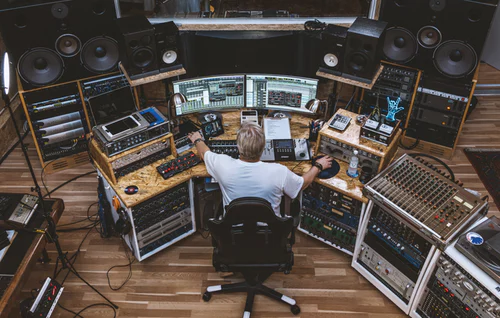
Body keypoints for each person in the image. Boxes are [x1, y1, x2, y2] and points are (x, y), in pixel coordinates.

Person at [188, 122, 333, 216]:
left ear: (238, 147)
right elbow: (303, 183)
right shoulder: (279, 171)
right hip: (270, 232)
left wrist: (197, 139)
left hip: (233, 233)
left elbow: (203, 152)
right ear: (264, 147)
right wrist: (318, 166)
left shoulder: (223, 164)